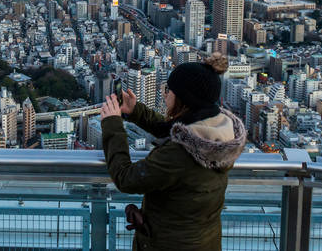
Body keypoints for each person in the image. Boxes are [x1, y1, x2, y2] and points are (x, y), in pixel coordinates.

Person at [100, 54, 246, 251]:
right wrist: (135, 111)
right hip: (204, 240)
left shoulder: (179, 155)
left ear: (184, 100)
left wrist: (112, 124)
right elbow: (177, 129)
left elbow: (126, 178)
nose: (164, 94)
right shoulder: (219, 135)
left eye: (169, 90)